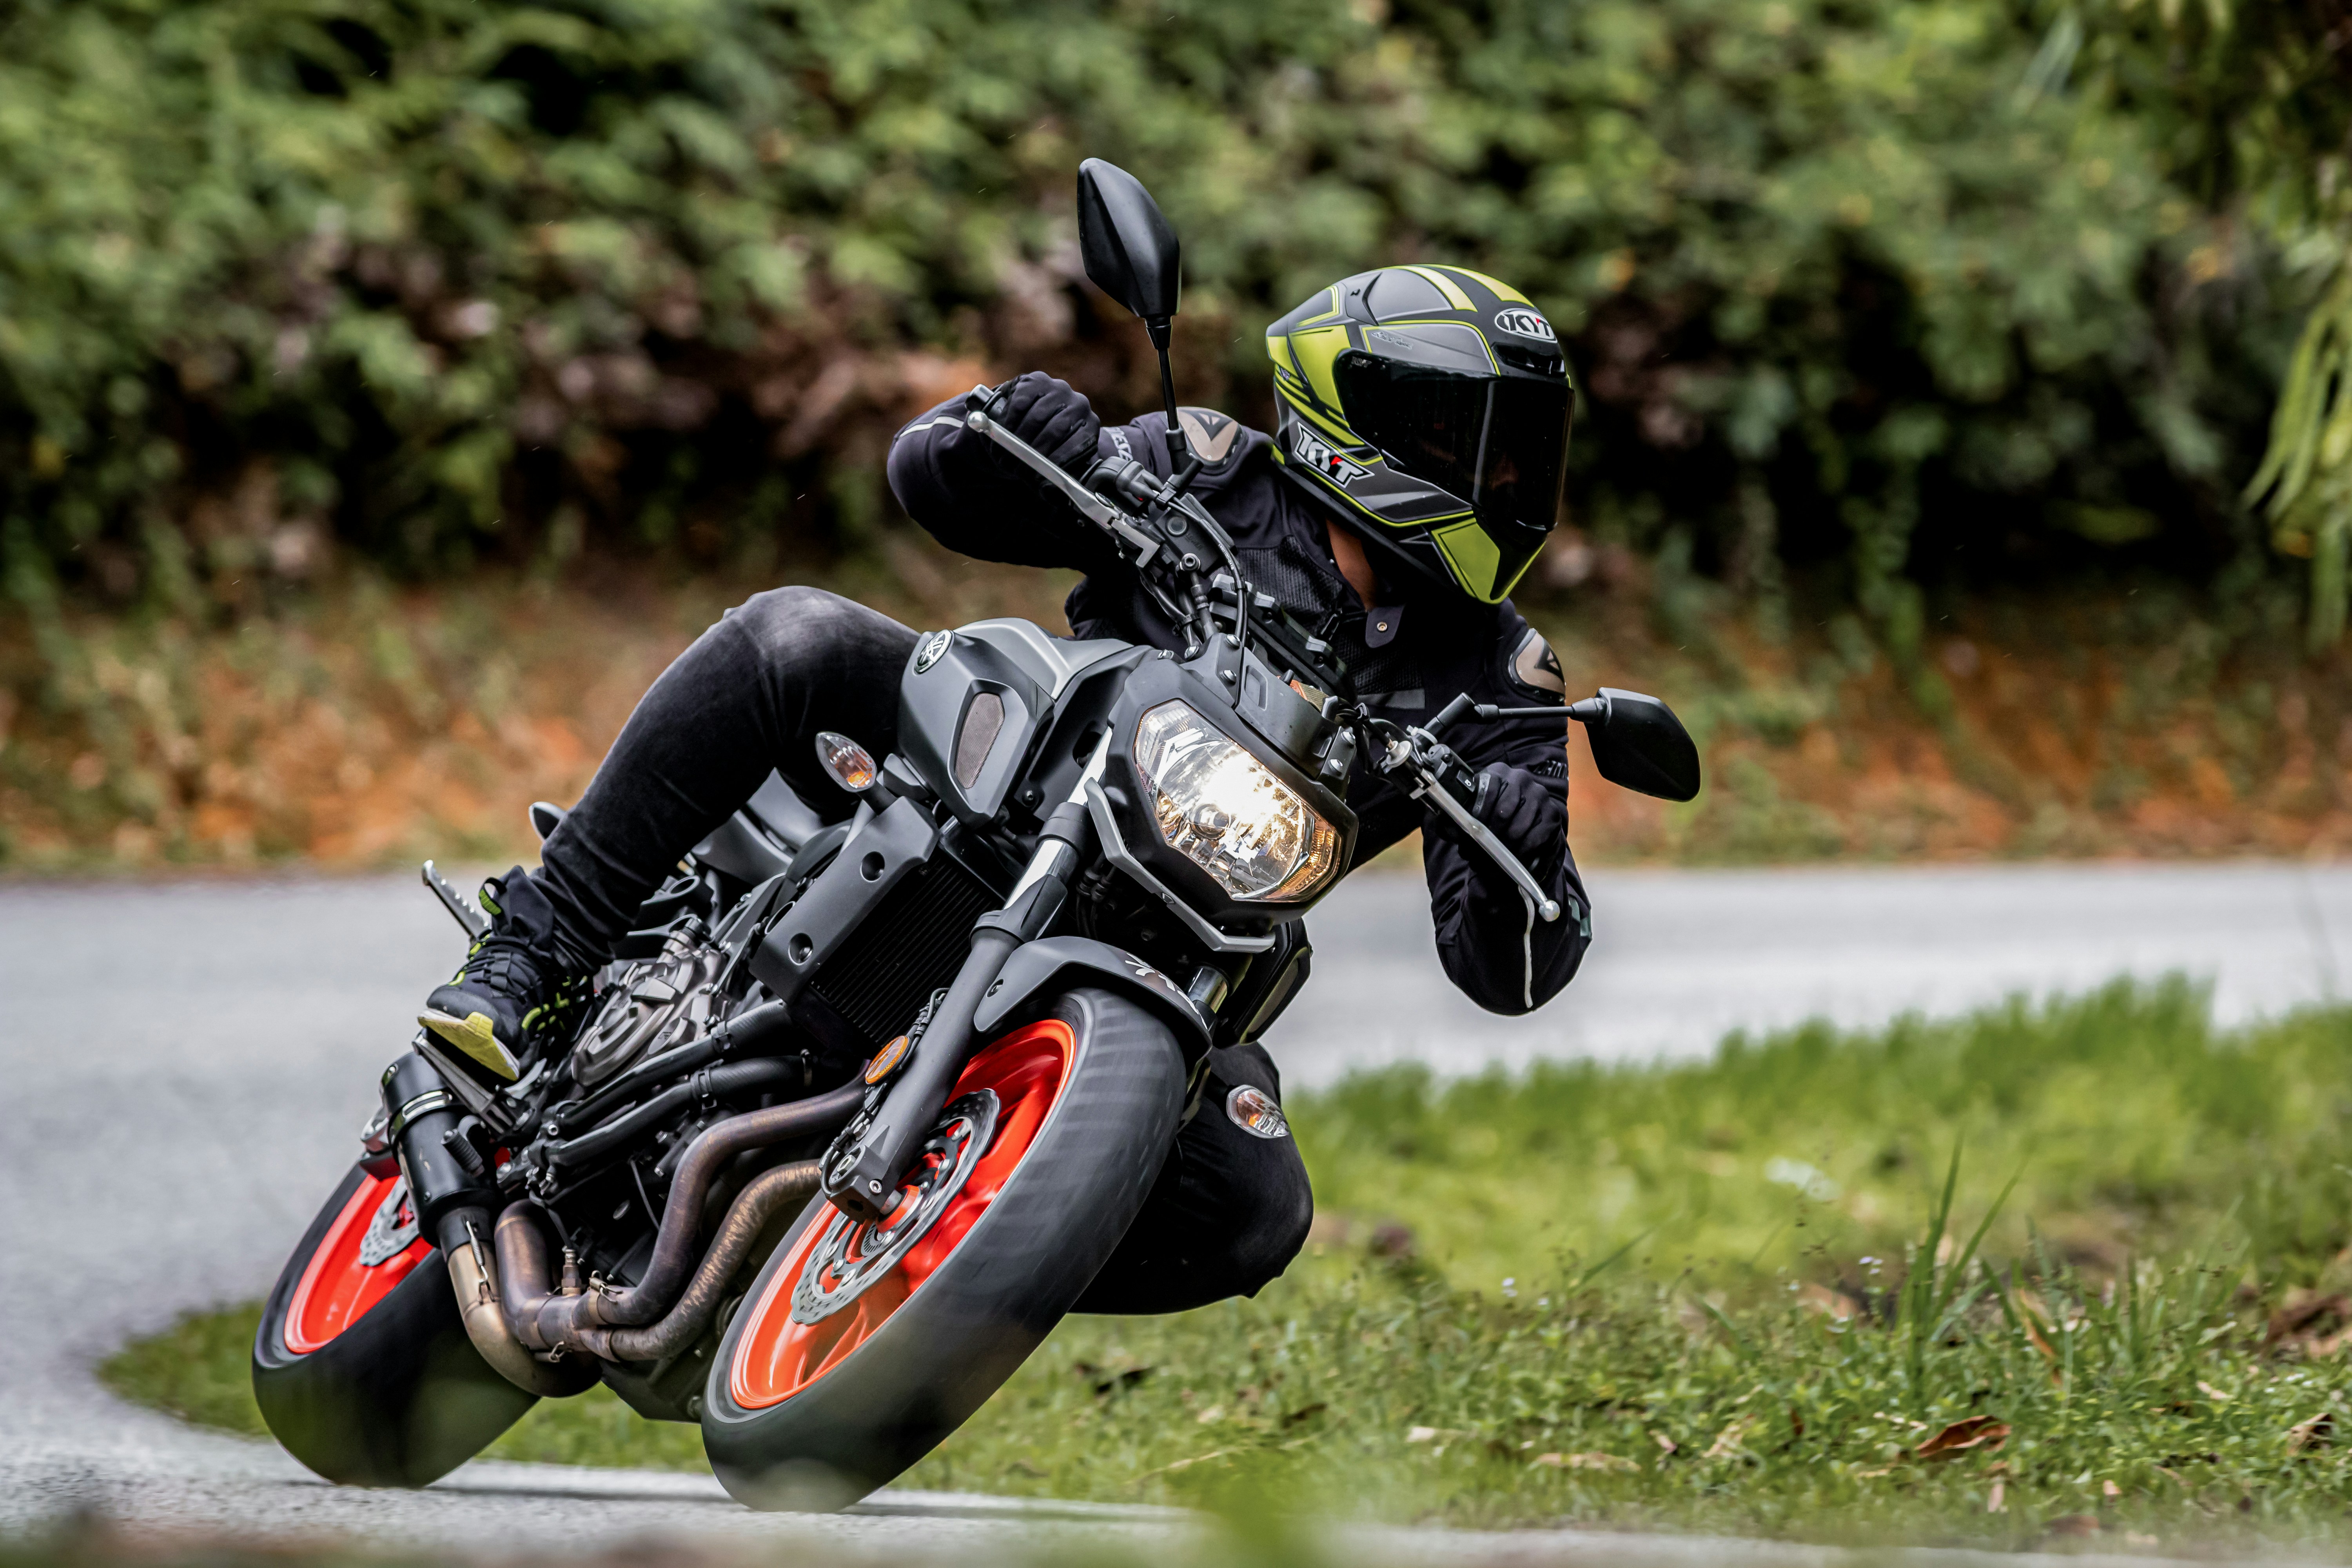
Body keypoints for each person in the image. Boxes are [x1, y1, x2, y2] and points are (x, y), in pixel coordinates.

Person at [417, 263, 1593, 1312]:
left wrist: (1531, 853)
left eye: (1519, 446)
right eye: (1461, 435)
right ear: (1355, 412)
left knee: (1254, 1206)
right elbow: (932, 480)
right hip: (1012, 790)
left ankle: (910, 1279)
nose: (1498, 472)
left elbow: (1506, 974)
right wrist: (1006, 431)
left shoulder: (1503, 678)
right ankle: (527, 961)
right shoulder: (1216, 469)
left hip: (1181, 955)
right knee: (797, 636)